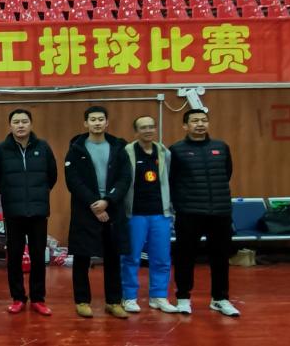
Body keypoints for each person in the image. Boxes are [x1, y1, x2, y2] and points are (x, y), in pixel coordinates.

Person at [170, 108, 240, 317]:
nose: (200, 124)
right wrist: (182, 204)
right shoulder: (176, 150)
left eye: (203, 120)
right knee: (185, 258)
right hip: (189, 213)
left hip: (220, 212)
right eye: (194, 121)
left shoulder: (221, 147)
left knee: (220, 258)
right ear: (185, 126)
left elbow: (226, 173)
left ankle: (220, 299)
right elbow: (172, 180)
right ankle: (183, 298)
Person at [64, 106, 132, 319]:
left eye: (100, 119)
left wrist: (107, 201)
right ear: (86, 123)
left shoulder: (118, 147)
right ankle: (82, 301)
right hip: (85, 210)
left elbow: (125, 178)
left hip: (113, 209)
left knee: (113, 257)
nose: (97, 123)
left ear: (106, 122)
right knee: (82, 257)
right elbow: (73, 180)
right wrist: (95, 203)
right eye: (92, 119)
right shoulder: (76, 148)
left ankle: (114, 302)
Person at [0, 108, 57, 316]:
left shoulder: (43, 147)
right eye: (16, 122)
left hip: (38, 212)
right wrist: (9, 192)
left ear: (31, 124)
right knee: (14, 257)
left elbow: (52, 176)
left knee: (38, 257)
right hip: (13, 212)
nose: (20, 125)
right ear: (10, 125)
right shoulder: (1, 149)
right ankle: (18, 298)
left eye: (24, 121)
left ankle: (38, 298)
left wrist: (39, 193)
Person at [121, 116, 180, 314]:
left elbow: (170, 180)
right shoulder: (127, 152)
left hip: (160, 213)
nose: (148, 130)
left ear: (155, 129)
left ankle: (158, 296)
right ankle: (129, 297)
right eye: (143, 127)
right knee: (131, 257)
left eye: (151, 127)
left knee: (161, 258)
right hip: (134, 214)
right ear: (136, 132)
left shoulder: (164, 153)